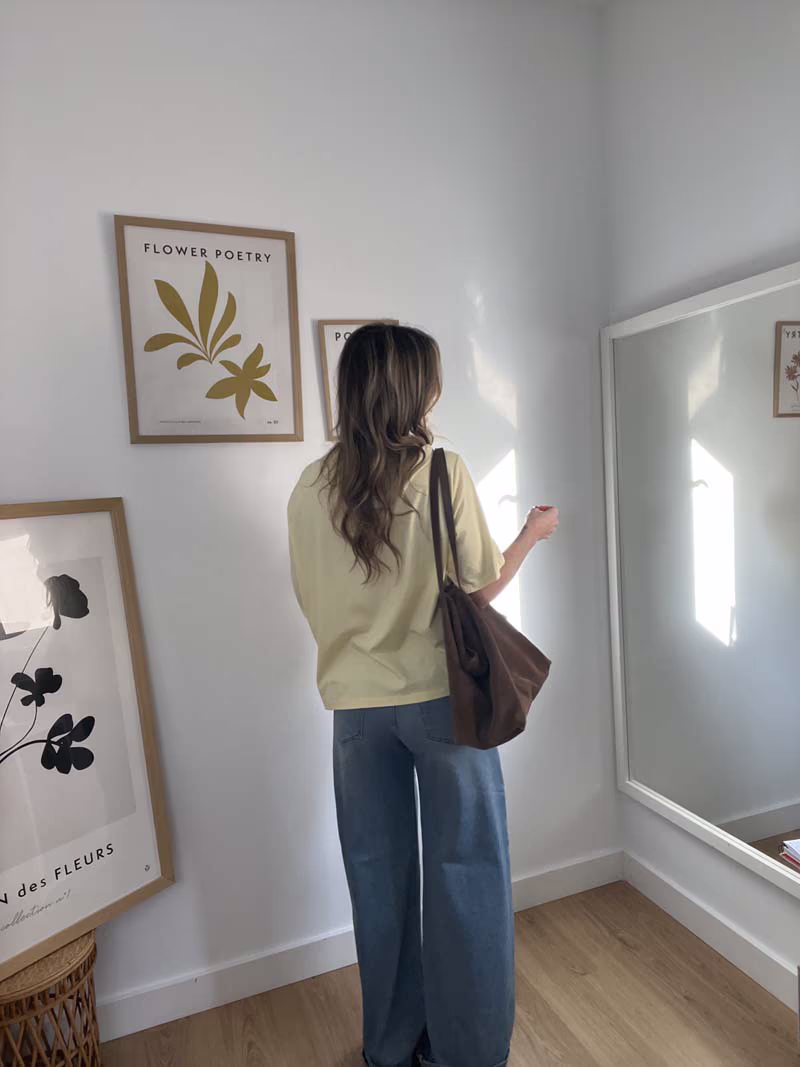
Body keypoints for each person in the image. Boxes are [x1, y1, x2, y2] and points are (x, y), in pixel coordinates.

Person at [287, 323, 558, 1067]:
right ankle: (465, 1053)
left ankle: (390, 1047)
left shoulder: (309, 487)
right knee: (467, 873)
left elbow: (312, 601)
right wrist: (532, 534)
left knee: (378, 880)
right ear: (415, 389)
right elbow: (479, 590)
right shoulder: (442, 470)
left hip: (354, 712)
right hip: (443, 704)